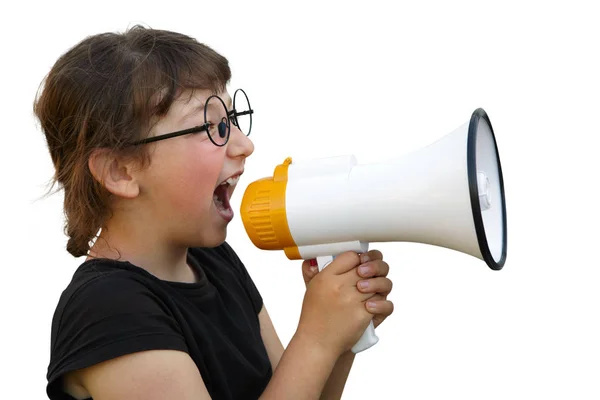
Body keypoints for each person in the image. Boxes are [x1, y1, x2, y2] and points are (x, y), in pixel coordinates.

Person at [34, 25, 394, 400]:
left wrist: (339, 339)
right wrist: (316, 340)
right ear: (120, 171)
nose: (245, 144)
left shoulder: (214, 261)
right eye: (213, 127)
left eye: (233, 120)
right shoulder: (105, 311)